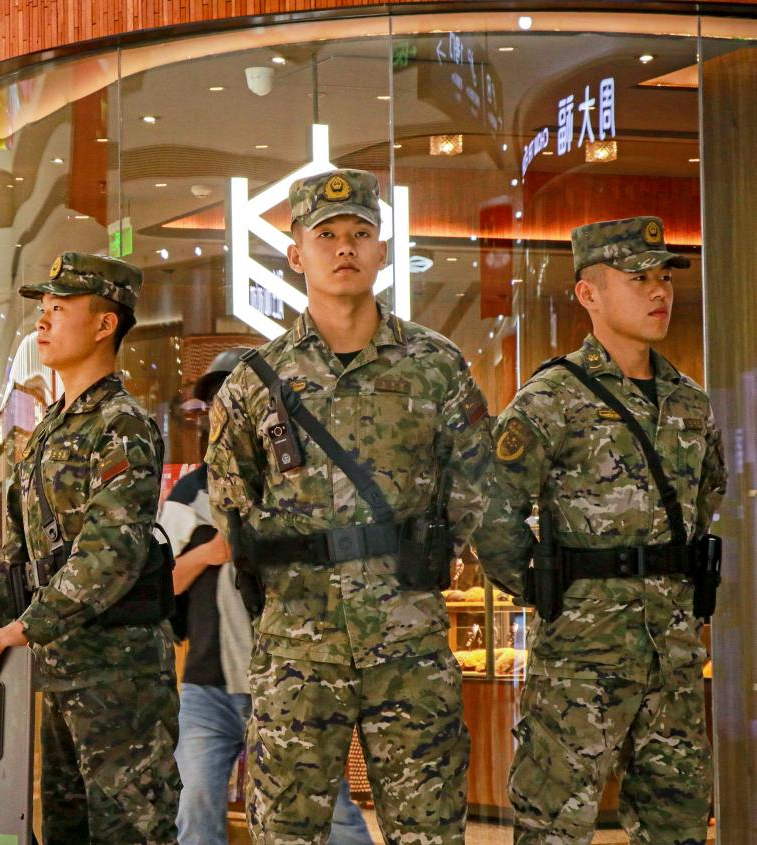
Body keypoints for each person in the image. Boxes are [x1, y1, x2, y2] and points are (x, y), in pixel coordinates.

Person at [206, 169, 493, 845]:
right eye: (327, 234)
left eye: (360, 233)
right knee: (288, 832)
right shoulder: (254, 383)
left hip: (410, 644)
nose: (345, 247)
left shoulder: (435, 366)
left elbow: (477, 487)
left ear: (382, 250)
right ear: (296, 254)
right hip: (298, 651)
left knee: (429, 831)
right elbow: (233, 509)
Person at [472, 217, 727, 844]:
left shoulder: (689, 403)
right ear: (589, 294)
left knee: (679, 821)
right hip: (581, 659)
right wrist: (547, 589)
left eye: (664, 276)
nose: (659, 290)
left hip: (673, 654)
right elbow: (489, 508)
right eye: (638, 278)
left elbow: (706, 500)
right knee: (555, 822)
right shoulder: (552, 399)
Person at [0, 253, 180, 843]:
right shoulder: (49, 429)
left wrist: (24, 628)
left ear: (105, 324)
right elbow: (16, 553)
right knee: (63, 830)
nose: (43, 321)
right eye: (42, 308)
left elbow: (111, 552)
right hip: (56, 672)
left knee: (130, 833)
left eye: (60, 308)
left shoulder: (122, 426)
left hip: (120, 677)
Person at [163, 350, 372, 845]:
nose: (222, 411)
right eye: (215, 402)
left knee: (331, 811)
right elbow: (161, 585)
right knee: (193, 807)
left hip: (292, 681)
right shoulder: (189, 494)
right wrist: (209, 553)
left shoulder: (298, 486)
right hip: (208, 688)